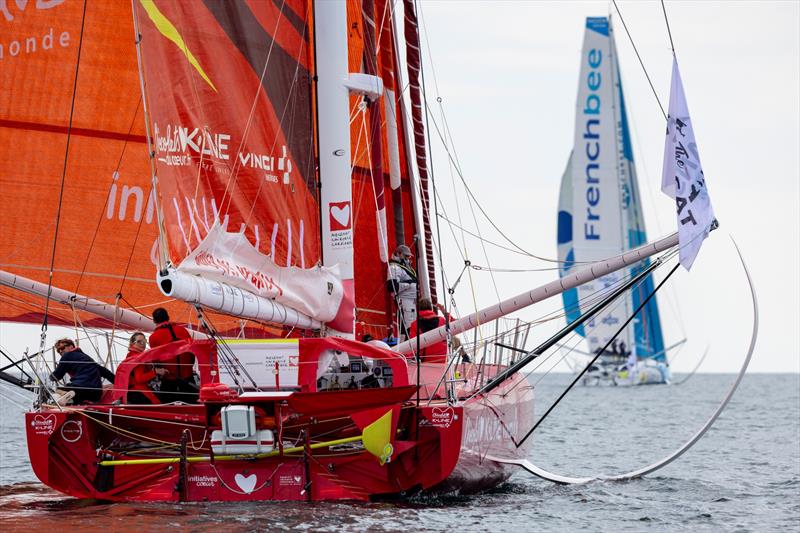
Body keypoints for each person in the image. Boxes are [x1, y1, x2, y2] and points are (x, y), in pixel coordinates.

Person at [148, 308, 197, 402]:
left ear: (154, 320)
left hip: (169, 378)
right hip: (187, 377)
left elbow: (155, 359)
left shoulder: (154, 337)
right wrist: (189, 367)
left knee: (167, 404)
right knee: (192, 403)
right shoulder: (183, 330)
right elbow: (192, 351)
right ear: (168, 317)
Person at [49, 338, 115, 405]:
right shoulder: (88, 359)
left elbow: (56, 376)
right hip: (96, 394)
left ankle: (66, 396)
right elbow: (106, 373)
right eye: (58, 350)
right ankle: (70, 399)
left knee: (58, 390)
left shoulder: (67, 355)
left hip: (81, 388)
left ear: (71, 346)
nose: (60, 351)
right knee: (74, 393)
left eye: (62, 348)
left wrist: (50, 377)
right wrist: (120, 385)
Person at [124, 332, 166, 404]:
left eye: (144, 341)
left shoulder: (131, 355)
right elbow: (139, 378)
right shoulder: (138, 358)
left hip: (130, 391)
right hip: (137, 391)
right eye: (139, 341)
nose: (143, 344)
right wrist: (156, 372)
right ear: (132, 343)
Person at [386, 244, 417, 340]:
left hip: (412, 302)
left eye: (409, 256)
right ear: (398, 254)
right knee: (407, 329)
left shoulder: (405, 267)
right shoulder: (394, 267)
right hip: (404, 302)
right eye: (406, 256)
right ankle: (406, 350)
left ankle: (411, 350)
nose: (408, 258)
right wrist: (410, 284)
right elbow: (392, 286)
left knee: (413, 328)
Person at [407, 298, 451, 364]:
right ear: (431, 308)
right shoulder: (442, 320)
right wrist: (443, 311)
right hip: (443, 358)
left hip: (426, 360)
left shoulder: (415, 324)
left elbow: (412, 346)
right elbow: (456, 324)